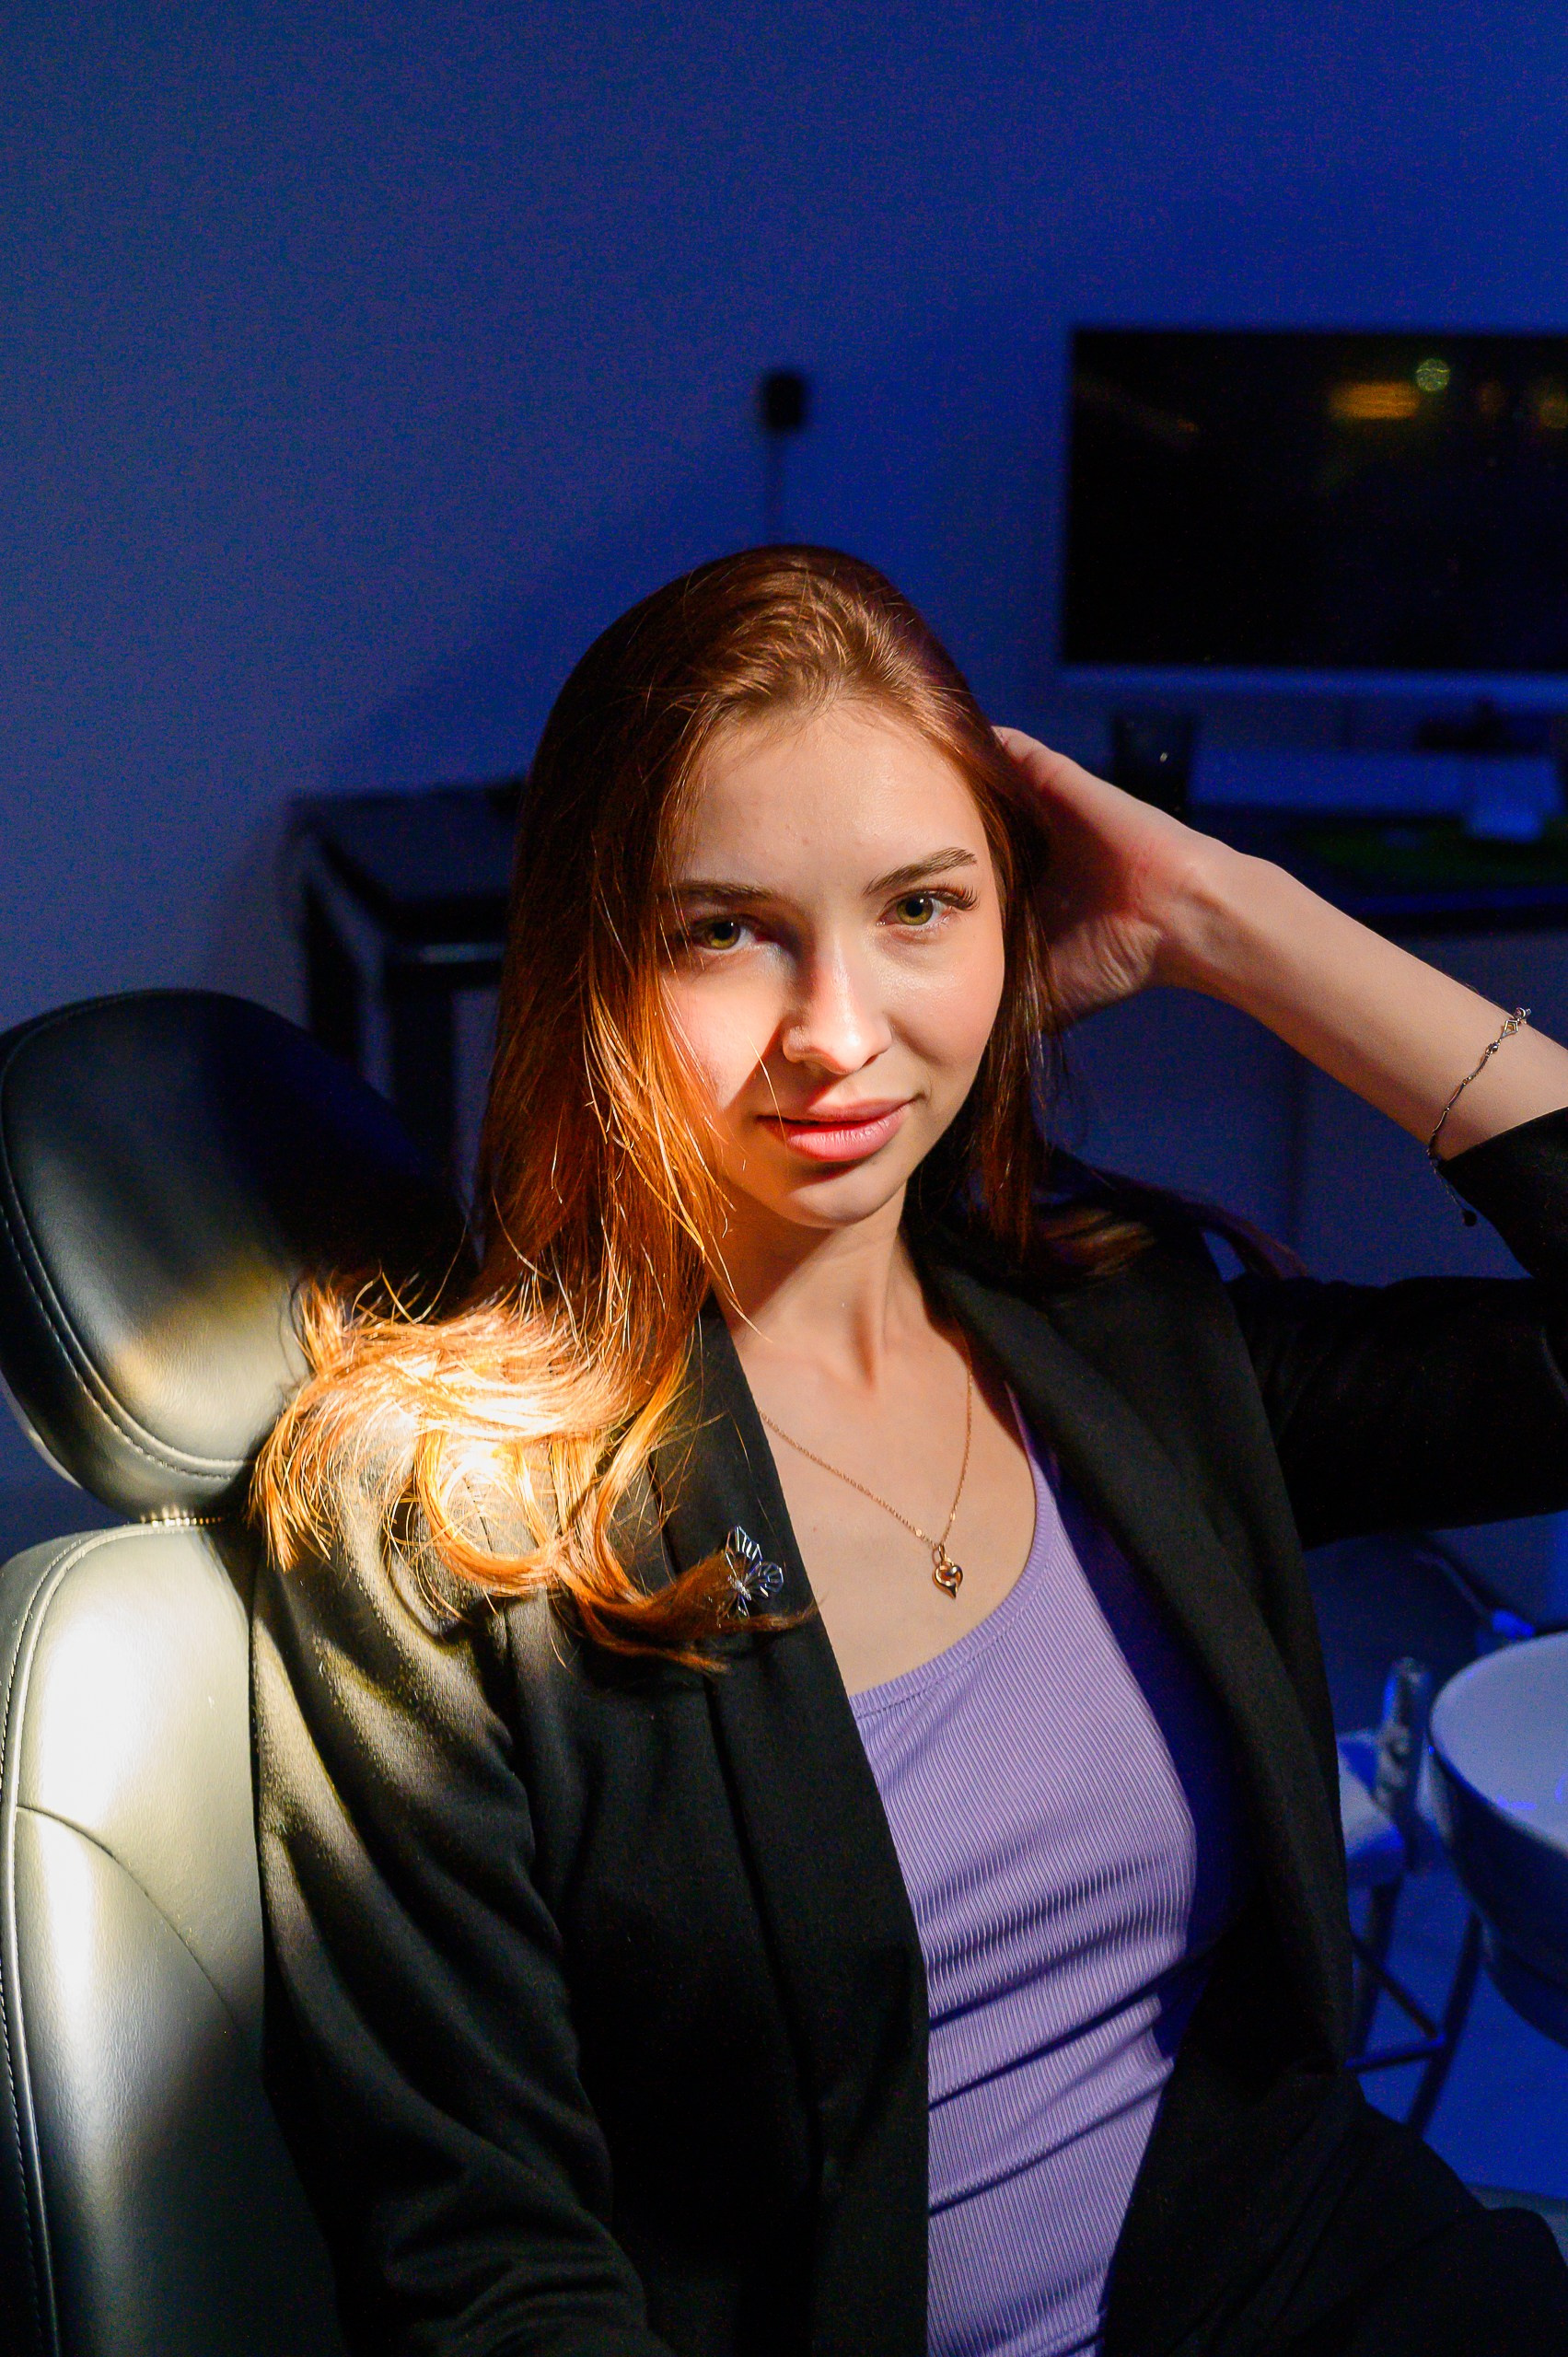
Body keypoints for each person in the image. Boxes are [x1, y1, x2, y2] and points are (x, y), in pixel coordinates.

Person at [252, 546, 1568, 2357]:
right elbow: (488, 2272)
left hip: (1319, 2278)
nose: (841, 1033)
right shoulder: (445, 1513)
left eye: (922, 906)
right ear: (592, 962)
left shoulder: (1121, 1328)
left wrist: (1238, 919)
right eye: (725, 929)